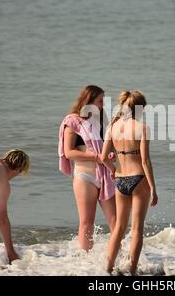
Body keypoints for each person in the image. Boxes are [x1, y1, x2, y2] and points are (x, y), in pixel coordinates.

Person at [100, 90, 158, 275]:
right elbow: (145, 161)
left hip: (120, 180)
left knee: (118, 228)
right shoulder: (142, 128)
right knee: (137, 228)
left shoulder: (112, 127)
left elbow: (103, 157)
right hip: (139, 179)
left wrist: (113, 171)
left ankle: (107, 269)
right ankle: (132, 270)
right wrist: (153, 188)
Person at [58, 85, 116, 251]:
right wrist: (97, 157)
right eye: (100, 101)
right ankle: (86, 262)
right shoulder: (72, 121)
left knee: (116, 222)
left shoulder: (99, 122)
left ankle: (117, 258)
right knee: (87, 223)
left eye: (104, 101)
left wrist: (110, 155)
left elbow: (105, 149)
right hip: (85, 177)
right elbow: (69, 152)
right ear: (88, 101)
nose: (103, 104)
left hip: (105, 175)